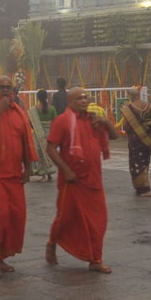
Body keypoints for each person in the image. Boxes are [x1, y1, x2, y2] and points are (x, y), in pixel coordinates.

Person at [45, 87, 121, 273]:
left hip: (93, 179)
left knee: (99, 220)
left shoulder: (95, 119)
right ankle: (52, 243)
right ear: (70, 102)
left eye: (86, 97)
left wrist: (106, 123)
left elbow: (114, 136)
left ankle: (95, 259)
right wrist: (66, 170)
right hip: (72, 180)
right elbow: (51, 149)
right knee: (65, 218)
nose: (84, 100)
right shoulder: (62, 121)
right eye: (79, 98)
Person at [0, 75, 39, 278]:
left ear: (13, 89)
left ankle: (2, 257)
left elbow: (26, 140)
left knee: (17, 216)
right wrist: (0, 109)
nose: (5, 90)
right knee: (1, 213)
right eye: (1, 87)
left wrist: (27, 167)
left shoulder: (19, 112)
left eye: (8, 87)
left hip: (14, 174)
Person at [119, 86, 151, 197]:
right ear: (138, 95)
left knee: (137, 163)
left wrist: (133, 129)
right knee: (145, 162)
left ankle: (143, 189)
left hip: (135, 139)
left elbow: (127, 126)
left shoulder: (128, 109)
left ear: (132, 97)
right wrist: (150, 126)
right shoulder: (149, 106)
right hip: (147, 139)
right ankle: (145, 187)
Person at [26, 89, 58, 182]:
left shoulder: (34, 110)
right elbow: (55, 122)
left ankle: (43, 174)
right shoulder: (52, 109)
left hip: (38, 134)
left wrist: (37, 129)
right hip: (49, 134)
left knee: (40, 154)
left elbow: (30, 123)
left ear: (38, 98)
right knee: (48, 153)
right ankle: (49, 173)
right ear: (46, 97)